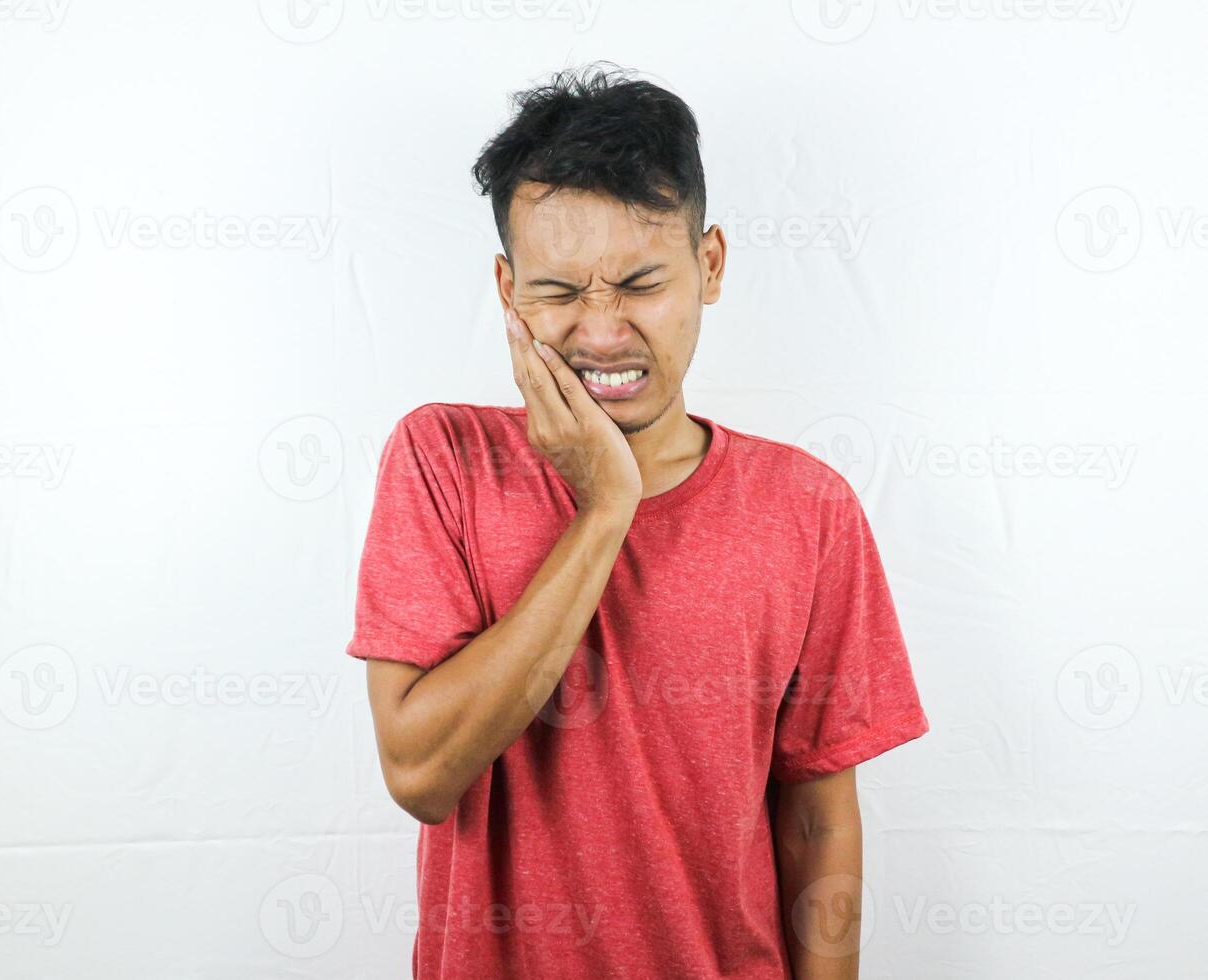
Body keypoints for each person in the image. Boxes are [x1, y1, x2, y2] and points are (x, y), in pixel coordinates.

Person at [346, 61, 930, 980]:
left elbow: (817, 819)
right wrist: (604, 507)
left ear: (709, 267)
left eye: (639, 281)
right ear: (507, 291)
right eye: (558, 291)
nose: (603, 329)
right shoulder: (442, 462)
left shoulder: (807, 508)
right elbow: (420, 775)